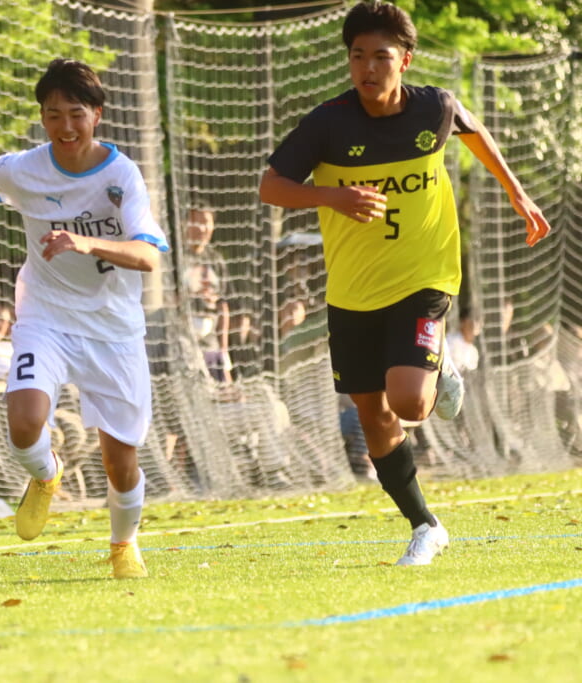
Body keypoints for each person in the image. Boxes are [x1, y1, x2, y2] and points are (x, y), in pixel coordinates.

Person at [259, 1, 551, 566]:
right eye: (357, 56)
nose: (368, 68)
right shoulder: (327, 124)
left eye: (381, 57)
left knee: (410, 400)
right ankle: (425, 525)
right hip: (353, 288)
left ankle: (434, 363)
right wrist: (332, 197)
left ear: (405, 60)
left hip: (425, 272)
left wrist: (517, 193)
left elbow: (473, 129)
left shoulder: (433, 107)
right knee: (373, 415)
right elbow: (272, 187)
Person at [0, 58, 169, 578]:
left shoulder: (121, 176)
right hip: (45, 315)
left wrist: (84, 241)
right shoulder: (26, 167)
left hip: (113, 329)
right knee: (24, 423)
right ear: (42, 118)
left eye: (76, 114)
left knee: (120, 463)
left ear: (97, 115)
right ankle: (46, 474)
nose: (66, 127)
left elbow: (149, 256)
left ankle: (124, 546)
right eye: (53, 115)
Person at [181, 207, 235, 382]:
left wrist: (224, 350)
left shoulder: (216, 260)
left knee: (223, 386)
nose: (202, 228)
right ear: (185, 224)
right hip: (183, 338)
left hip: (210, 340)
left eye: (206, 223)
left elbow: (223, 305)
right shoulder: (176, 257)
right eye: (197, 222)